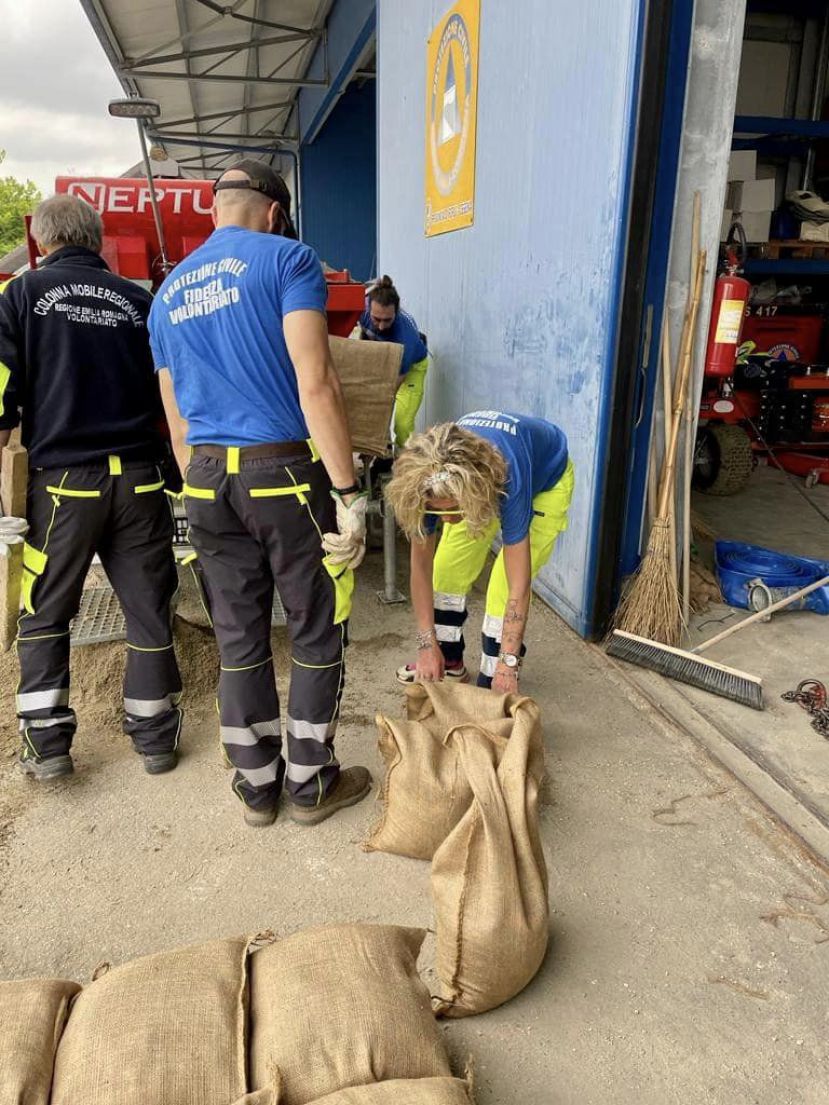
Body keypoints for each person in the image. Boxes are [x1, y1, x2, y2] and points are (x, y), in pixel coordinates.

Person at [149, 159, 371, 828]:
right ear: (273, 211)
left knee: (239, 634)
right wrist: (348, 493)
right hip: (282, 471)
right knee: (313, 622)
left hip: (207, 477)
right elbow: (317, 382)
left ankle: (256, 786)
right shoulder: (288, 260)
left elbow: (177, 422)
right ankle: (308, 783)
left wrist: (199, 492)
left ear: (216, 211)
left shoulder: (166, 294)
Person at [0, 195, 182, 779]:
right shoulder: (138, 301)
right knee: (148, 609)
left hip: (63, 491)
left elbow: (1, 402)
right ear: (98, 240)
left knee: (46, 613)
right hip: (139, 481)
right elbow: (172, 396)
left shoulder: (21, 297)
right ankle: (155, 738)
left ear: (42, 241)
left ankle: (48, 745)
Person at [385, 410, 575, 692]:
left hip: (544, 481)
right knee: (446, 569)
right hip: (472, 486)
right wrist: (426, 644)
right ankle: (447, 661)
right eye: (439, 512)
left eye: (452, 511)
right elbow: (421, 569)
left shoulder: (512, 480)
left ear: (472, 497)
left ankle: (493, 680)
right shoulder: (425, 485)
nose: (446, 520)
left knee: (501, 588)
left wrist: (509, 663)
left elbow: (518, 586)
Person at [359, 276, 429, 446]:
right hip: (381, 358)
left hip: (411, 370)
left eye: (387, 320)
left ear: (396, 312)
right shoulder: (361, 307)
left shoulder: (405, 338)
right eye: (376, 319)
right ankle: (383, 452)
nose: (381, 326)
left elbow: (389, 394)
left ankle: (403, 461)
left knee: (402, 424)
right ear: (368, 307)